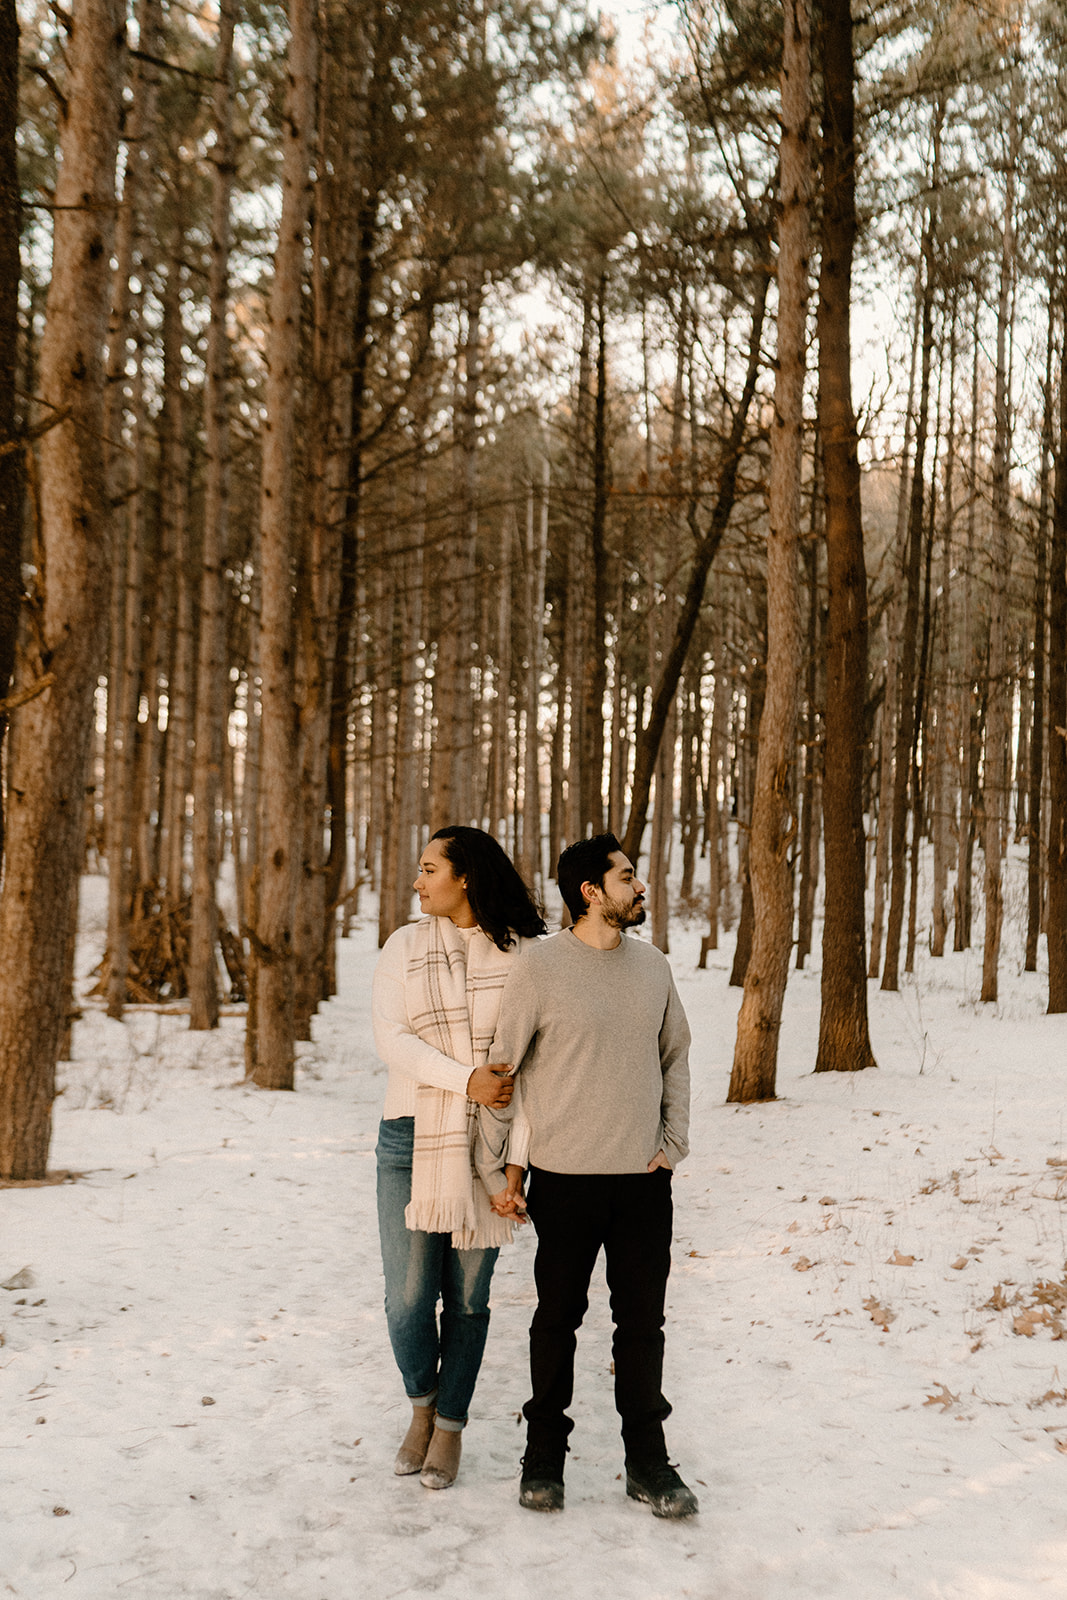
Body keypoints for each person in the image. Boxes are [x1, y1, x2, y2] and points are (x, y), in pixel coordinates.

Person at [478, 832, 696, 1519]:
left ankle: (648, 1462)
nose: (641, 885)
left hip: (642, 1182)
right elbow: (502, 1070)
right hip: (564, 1180)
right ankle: (543, 1456)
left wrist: (673, 1143)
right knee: (556, 1321)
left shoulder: (653, 967)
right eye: (628, 876)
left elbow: (675, 1057)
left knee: (642, 1326)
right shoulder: (540, 968)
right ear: (591, 891)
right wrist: (498, 1169)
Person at [372, 825, 546, 1491]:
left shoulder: (525, 956)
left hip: (490, 1147)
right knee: (407, 1300)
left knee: (468, 1302)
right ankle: (421, 1405)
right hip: (409, 1136)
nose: (417, 881)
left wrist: (514, 1167)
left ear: (465, 875)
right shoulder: (404, 945)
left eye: (428, 869)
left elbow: (531, 1072)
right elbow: (391, 1040)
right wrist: (465, 1079)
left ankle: (449, 1425)